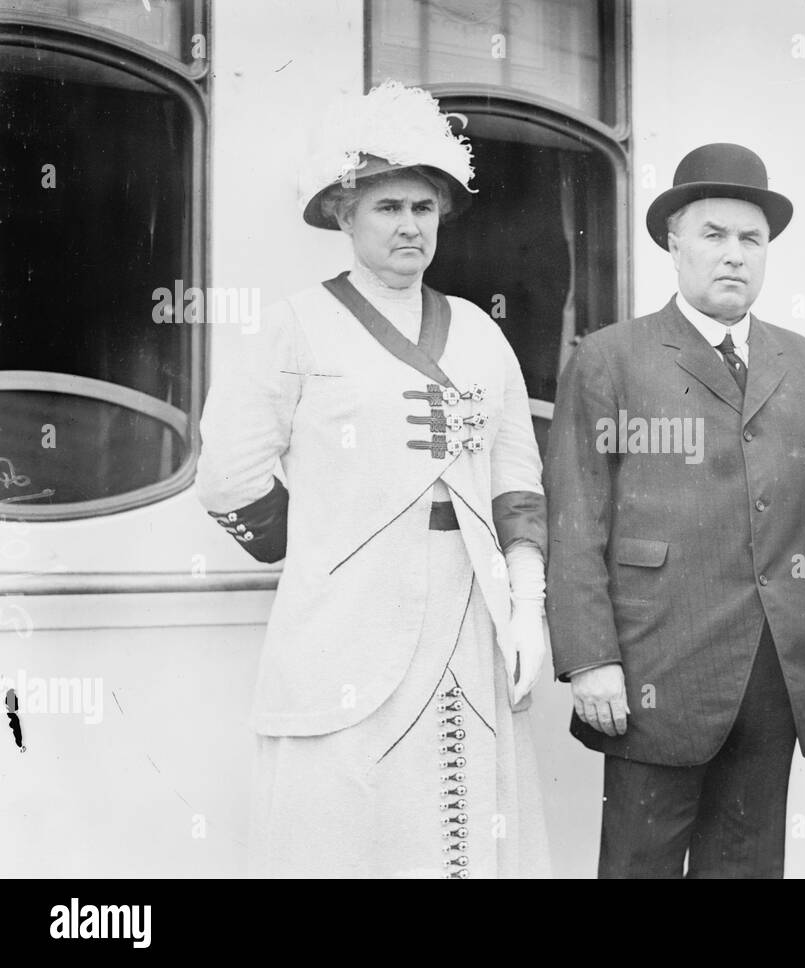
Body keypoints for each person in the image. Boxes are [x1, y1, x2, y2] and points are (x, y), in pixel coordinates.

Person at [195, 82, 550, 878]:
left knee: (452, 821)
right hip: (343, 620)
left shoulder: (480, 332)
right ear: (344, 215)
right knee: (343, 818)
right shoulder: (293, 324)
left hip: (465, 609)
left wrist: (527, 609)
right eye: (388, 207)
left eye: (423, 209)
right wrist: (323, 545)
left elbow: (516, 482)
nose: (409, 226)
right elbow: (226, 473)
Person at [545, 143, 805, 878]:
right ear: (673, 243)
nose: (734, 255)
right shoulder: (611, 359)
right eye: (713, 234)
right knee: (640, 866)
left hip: (772, 673)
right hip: (651, 670)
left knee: (748, 866)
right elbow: (575, 522)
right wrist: (590, 659)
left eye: (750, 239)